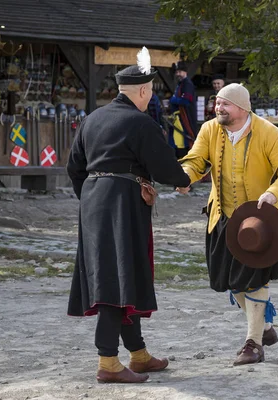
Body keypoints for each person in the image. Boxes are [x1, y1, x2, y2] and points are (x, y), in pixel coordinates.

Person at [66, 47, 191, 384]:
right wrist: (184, 180)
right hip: (122, 204)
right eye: (150, 92)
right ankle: (108, 362)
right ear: (143, 91)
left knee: (124, 273)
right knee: (115, 276)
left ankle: (138, 354)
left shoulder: (91, 119)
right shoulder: (140, 122)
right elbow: (165, 165)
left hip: (93, 203)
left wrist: (92, 198)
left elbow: (73, 167)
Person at [179, 83, 278, 366]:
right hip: (222, 217)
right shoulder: (210, 129)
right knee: (230, 281)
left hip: (261, 221)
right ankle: (265, 327)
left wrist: (274, 192)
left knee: (256, 279)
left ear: (242, 108)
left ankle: (253, 343)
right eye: (217, 103)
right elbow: (196, 161)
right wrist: (185, 177)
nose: (218, 108)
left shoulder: (269, 133)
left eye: (225, 104)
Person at [169, 61, 198, 159]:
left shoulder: (187, 84)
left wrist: (173, 100)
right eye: (177, 72)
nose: (178, 74)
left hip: (185, 117)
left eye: (180, 71)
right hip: (179, 118)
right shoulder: (181, 84)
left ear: (185, 72)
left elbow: (186, 101)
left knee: (184, 141)